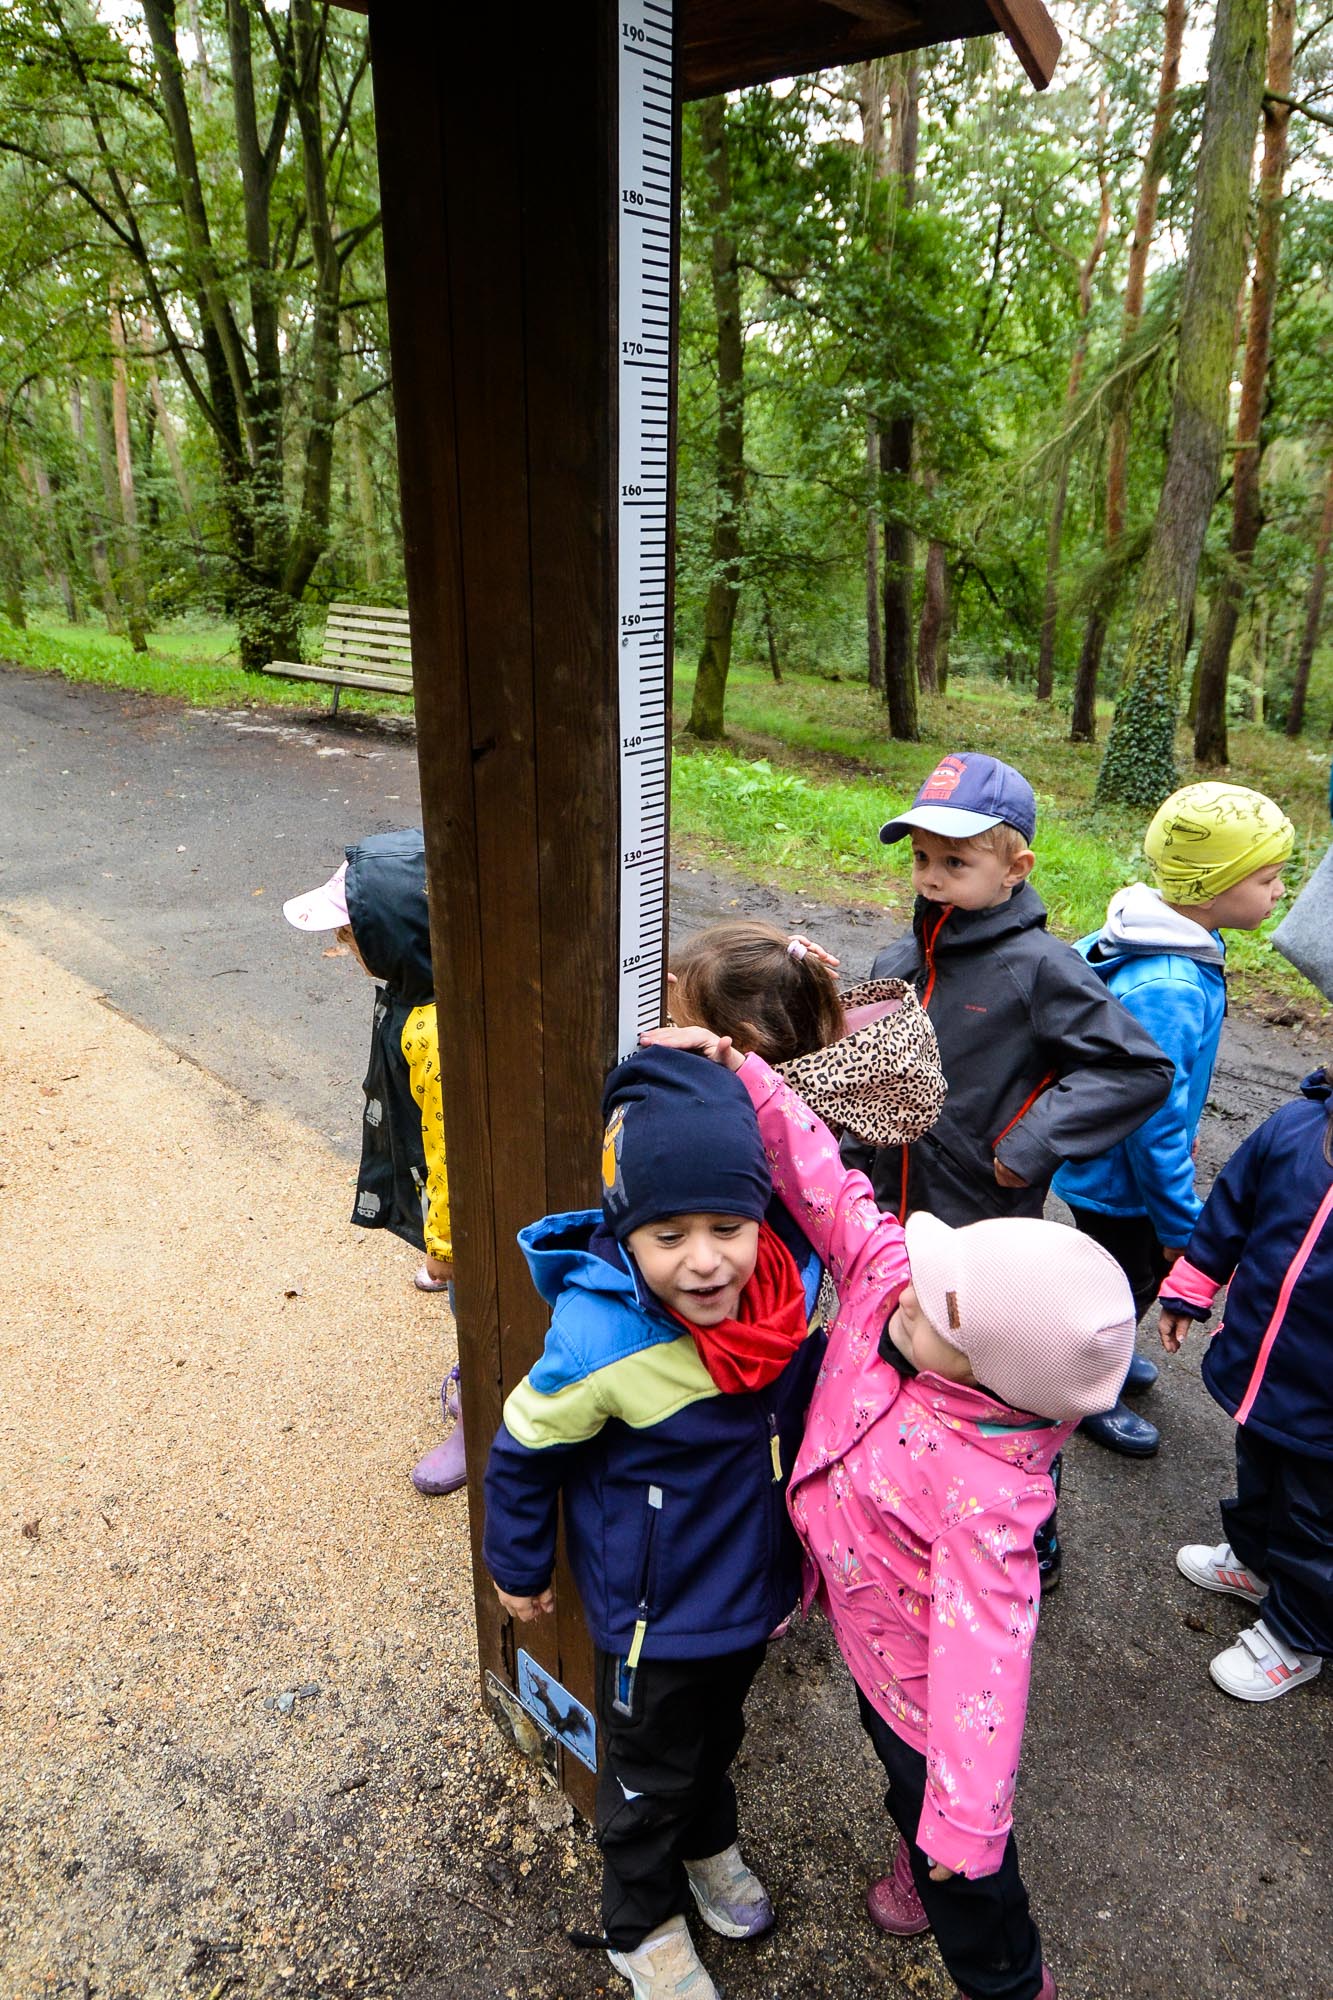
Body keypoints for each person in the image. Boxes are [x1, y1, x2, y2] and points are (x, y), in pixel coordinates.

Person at [646, 1020, 1137, 2000]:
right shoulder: (895, 1286)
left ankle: (1002, 1969)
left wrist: (966, 1815)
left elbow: (983, 1673)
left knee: (959, 1852)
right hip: (855, 1613)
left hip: (921, 1684)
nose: (913, 1284)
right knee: (885, 1765)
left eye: (938, 1304)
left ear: (995, 1375)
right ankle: (923, 1854)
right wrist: (747, 1077)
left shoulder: (990, 1498)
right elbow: (830, 1185)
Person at [482, 1046, 824, 2000]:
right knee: (642, 1777)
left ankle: (708, 1839)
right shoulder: (603, 1339)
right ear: (624, 1232)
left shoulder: (786, 1294)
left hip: (752, 1589)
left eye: (727, 1225)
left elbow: (841, 1170)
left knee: (716, 1736)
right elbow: (521, 1449)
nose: (705, 1259)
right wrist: (516, 1563)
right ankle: (640, 1923)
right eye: (667, 1234)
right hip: (653, 1614)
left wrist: (742, 1068)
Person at [846, 751, 1171, 1577]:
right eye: (920, 857)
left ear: (1014, 866)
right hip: (888, 1219)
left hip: (984, 1229)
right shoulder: (896, 962)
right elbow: (870, 1076)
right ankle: (904, 1506)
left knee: (994, 1389)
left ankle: (1029, 1536)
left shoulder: (1040, 968)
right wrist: (848, 1165)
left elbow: (1135, 1069)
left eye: (956, 860)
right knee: (895, 1359)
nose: (931, 877)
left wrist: (1021, 1150)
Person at [1053, 782, 1294, 1455]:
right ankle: (1083, 1394)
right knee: (1119, 1289)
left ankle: (1103, 1360)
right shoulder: (1169, 984)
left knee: (1113, 1281)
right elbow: (1148, 1120)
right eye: (1269, 879)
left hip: (1105, 1165)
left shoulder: (1149, 927)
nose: (1278, 893)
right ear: (1215, 884)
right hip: (1121, 1178)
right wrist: (1176, 1221)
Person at [283, 828, 464, 1497]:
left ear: (398, 934)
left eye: (349, 935)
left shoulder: (437, 1032)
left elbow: (452, 1153)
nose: (340, 948)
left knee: (477, 1311)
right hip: (448, 1195)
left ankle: (485, 1419)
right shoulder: (424, 984)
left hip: (472, 1222)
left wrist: (446, 1248)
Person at [1159, 1064, 1332, 1703]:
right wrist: (1191, 1289)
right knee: (1257, 1471)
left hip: (1326, 1401)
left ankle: (1299, 1634)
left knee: (1317, 1518)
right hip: (1265, 1368)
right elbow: (1231, 1209)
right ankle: (1257, 1564)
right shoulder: (1297, 1124)